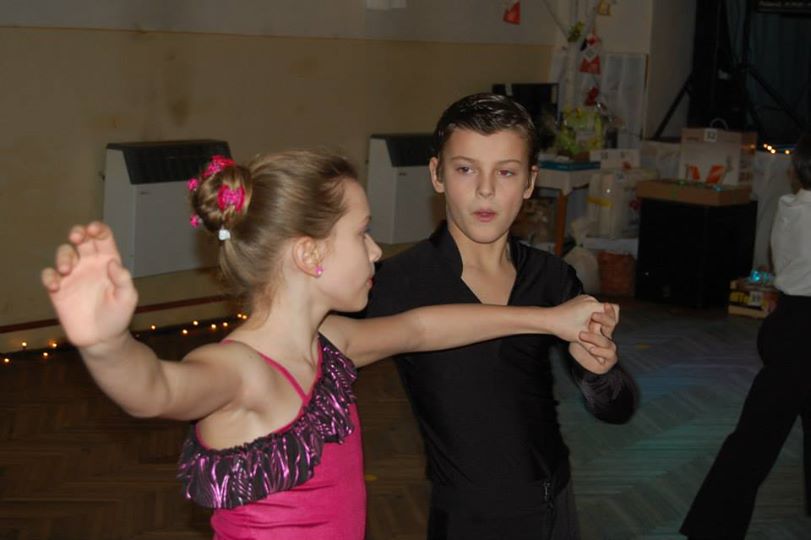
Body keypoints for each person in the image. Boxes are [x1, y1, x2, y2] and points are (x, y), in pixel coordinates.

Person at [41, 150, 617, 540]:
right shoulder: (241, 370)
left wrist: (551, 321)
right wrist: (106, 343)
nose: (375, 251)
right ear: (310, 254)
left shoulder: (328, 343)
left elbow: (423, 328)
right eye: (361, 233)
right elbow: (155, 390)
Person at [365, 92, 639, 539]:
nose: (486, 190)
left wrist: (599, 372)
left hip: (554, 503)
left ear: (530, 182)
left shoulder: (551, 278)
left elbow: (617, 408)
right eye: (466, 169)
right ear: (436, 174)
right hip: (468, 519)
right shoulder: (399, 283)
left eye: (506, 172)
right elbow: (330, 350)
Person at [680, 133, 811, 539]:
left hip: (789, 324)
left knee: (757, 436)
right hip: (802, 334)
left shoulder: (792, 205)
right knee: (756, 440)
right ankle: (712, 526)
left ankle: (712, 525)